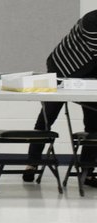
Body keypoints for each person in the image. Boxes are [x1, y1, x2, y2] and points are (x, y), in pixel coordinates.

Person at [23, 10, 97, 186]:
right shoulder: (91, 20)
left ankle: (87, 171)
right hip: (63, 67)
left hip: (89, 73)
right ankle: (32, 163)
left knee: (94, 122)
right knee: (47, 118)